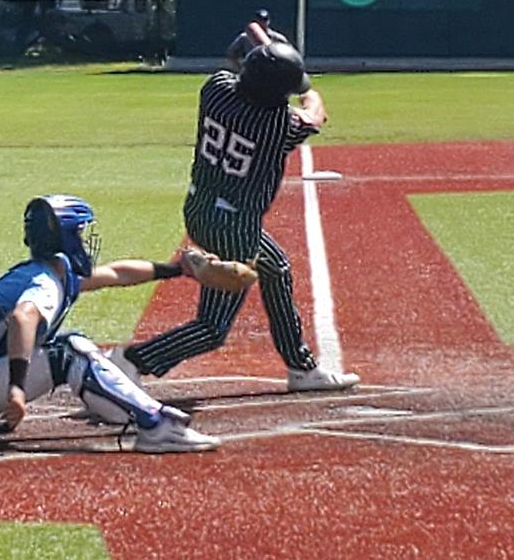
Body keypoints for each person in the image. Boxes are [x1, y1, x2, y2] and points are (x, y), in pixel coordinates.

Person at [0, 194, 233, 454]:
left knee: (61, 350)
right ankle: (156, 426)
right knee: (72, 351)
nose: (87, 239)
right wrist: (16, 389)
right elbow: (23, 317)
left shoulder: (43, 272)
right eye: (81, 232)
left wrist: (178, 269)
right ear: (67, 237)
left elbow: (117, 273)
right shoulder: (45, 282)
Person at [113, 42, 360, 393]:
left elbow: (236, 68)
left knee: (276, 269)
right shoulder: (276, 124)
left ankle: (301, 367)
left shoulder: (214, 88)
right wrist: (307, 89)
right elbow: (315, 115)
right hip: (235, 226)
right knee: (212, 328)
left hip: (199, 207)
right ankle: (131, 361)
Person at [225, 9, 289, 72]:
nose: (262, 23)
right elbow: (231, 54)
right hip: (251, 70)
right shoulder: (244, 37)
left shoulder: (277, 38)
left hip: (271, 71)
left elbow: (289, 56)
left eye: (264, 20)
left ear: (269, 21)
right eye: (259, 20)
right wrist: (240, 68)